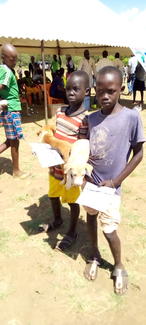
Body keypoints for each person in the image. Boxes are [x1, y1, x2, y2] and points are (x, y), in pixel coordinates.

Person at [83, 66, 145, 295]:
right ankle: (94, 255)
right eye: (100, 91)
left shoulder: (131, 117)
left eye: (110, 91)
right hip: (90, 185)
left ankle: (118, 264)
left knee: (109, 229)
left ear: (121, 89)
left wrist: (115, 181)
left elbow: (139, 153)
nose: (105, 96)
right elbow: (84, 150)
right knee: (90, 218)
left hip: (111, 188)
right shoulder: (90, 119)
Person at [41, 70, 89, 251]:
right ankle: (58, 219)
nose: (71, 93)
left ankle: (72, 231)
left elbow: (82, 146)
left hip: (69, 172)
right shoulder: (60, 112)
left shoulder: (85, 119)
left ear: (86, 90)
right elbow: (53, 134)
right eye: (68, 88)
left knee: (72, 201)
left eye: (76, 89)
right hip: (54, 167)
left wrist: (68, 155)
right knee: (53, 195)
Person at [0, 44, 29, 178]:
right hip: (11, 110)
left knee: (9, 140)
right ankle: (16, 171)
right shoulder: (6, 71)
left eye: (16, 58)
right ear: (3, 58)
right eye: (12, 59)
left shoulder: (5, 69)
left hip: (10, 108)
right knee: (14, 141)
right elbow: (1, 86)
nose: (15, 61)